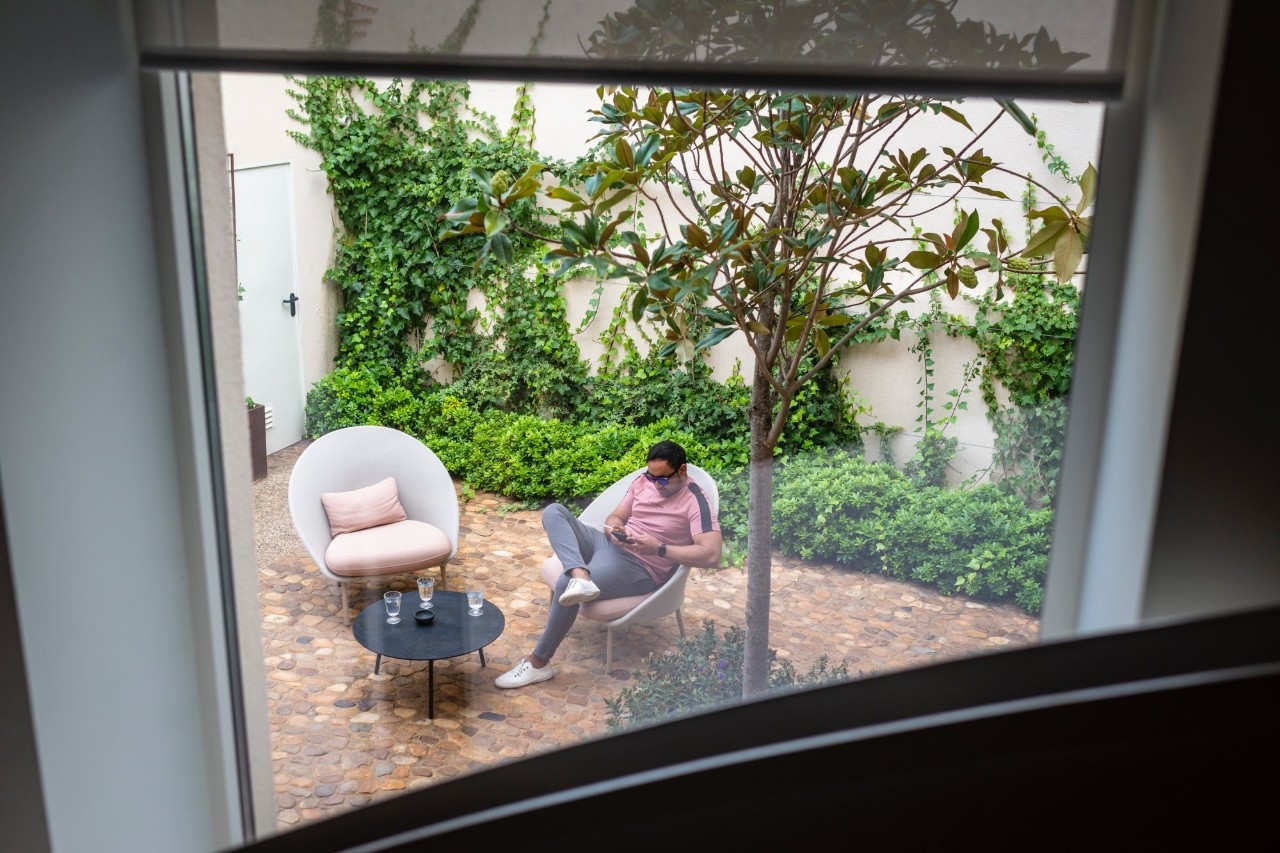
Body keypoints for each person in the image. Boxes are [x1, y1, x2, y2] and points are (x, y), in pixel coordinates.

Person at [495, 440, 723, 688]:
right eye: (651, 476)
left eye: (663, 479)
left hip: (639, 567)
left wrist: (658, 548)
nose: (656, 485)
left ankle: (539, 664)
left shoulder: (695, 500)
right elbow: (616, 516)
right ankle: (581, 575)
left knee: (565, 582)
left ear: (682, 470)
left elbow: (711, 555)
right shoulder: (643, 482)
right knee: (554, 511)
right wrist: (614, 528)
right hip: (607, 544)